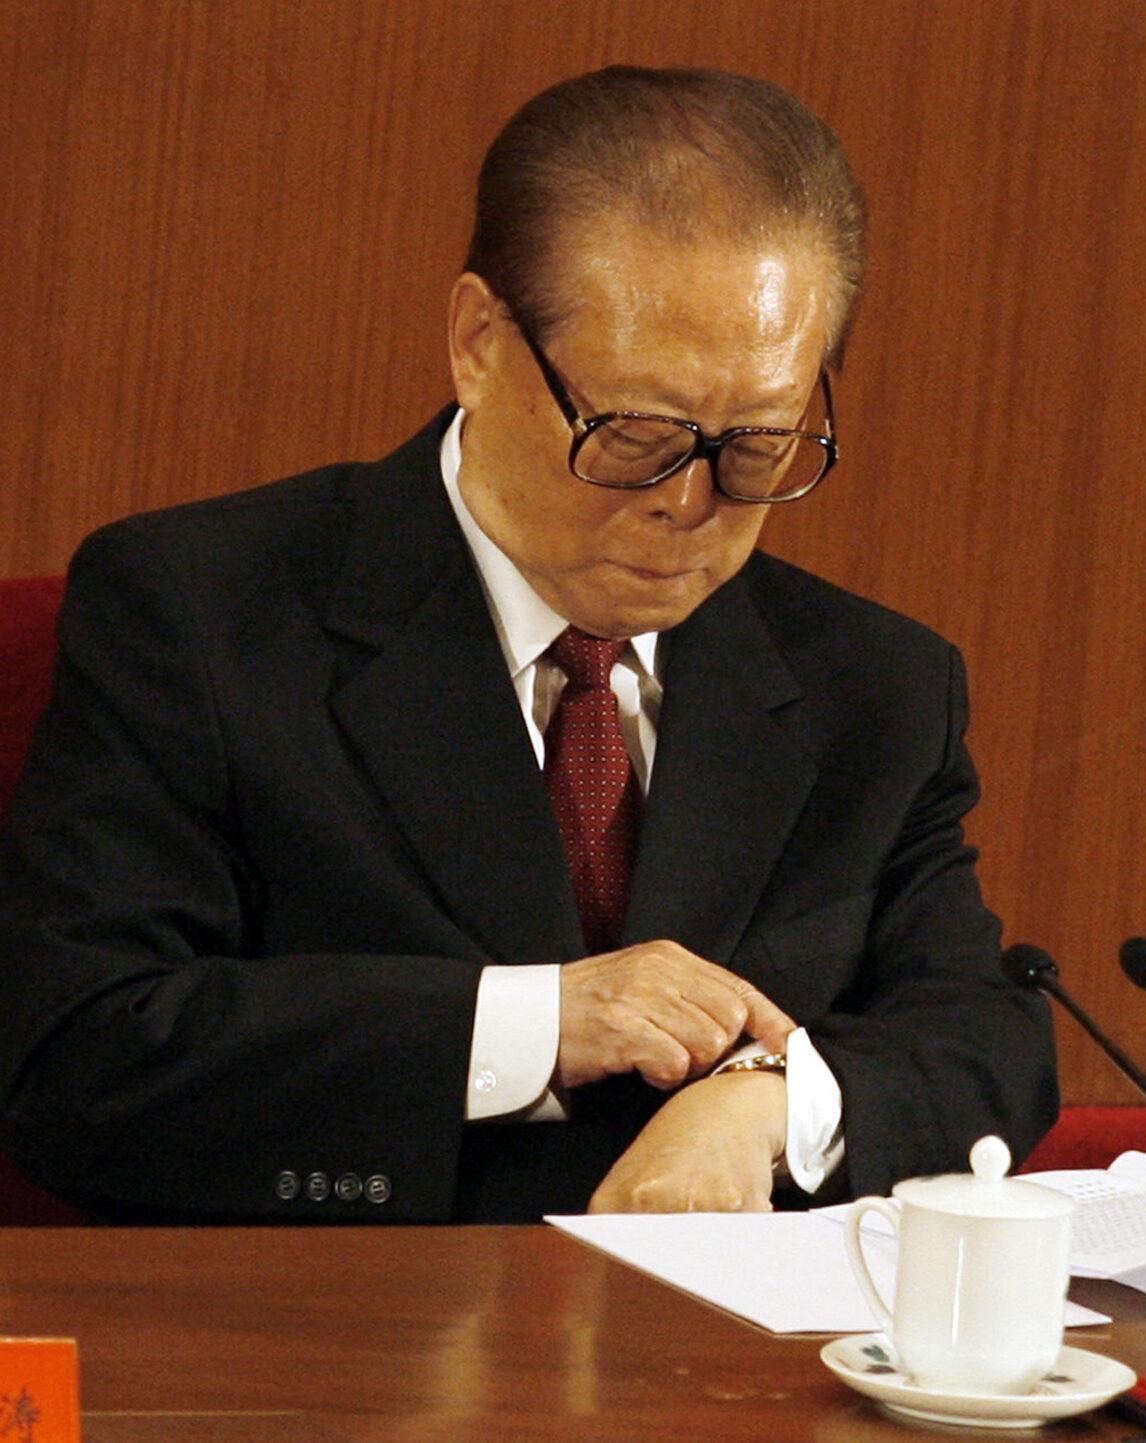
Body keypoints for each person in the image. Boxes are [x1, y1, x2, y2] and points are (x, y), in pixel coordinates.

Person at [0, 66, 1056, 1224]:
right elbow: (80, 1055)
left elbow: (987, 1039)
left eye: (758, 442)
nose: (690, 504)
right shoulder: (202, 613)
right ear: (479, 343)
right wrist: (538, 1025)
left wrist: (768, 1100)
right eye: (635, 433)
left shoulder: (875, 685)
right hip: (343, 1353)